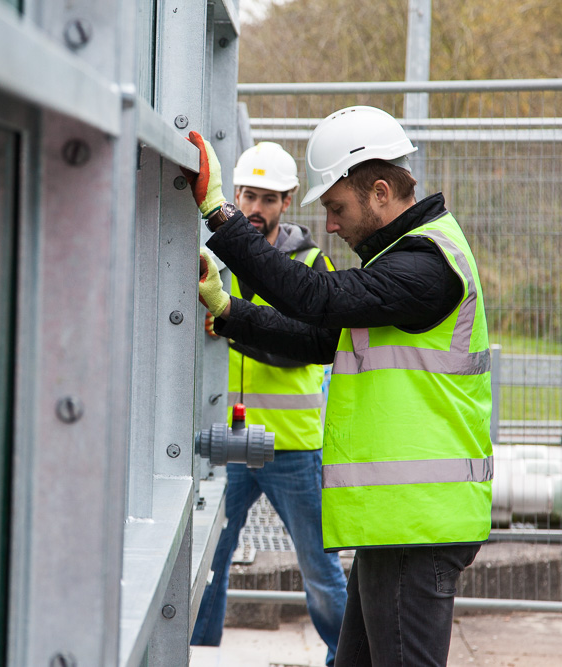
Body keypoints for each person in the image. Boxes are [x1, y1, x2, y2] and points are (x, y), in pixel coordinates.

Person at [185, 106, 493, 667]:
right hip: (398, 523)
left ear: (379, 191)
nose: (330, 225)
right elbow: (323, 337)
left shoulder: (427, 265)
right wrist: (229, 312)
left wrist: (219, 214)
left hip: (414, 525)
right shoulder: (406, 260)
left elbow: (316, 299)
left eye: (336, 207)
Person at [190, 142, 348, 666]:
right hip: (227, 441)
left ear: (287, 203)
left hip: (290, 446)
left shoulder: (308, 265)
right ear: (234, 193)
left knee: (319, 567)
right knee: (204, 556)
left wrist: (229, 325)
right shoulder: (214, 255)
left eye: (267, 199)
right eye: (247, 195)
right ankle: (189, 651)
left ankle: (344, 658)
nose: (254, 209)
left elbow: (296, 346)